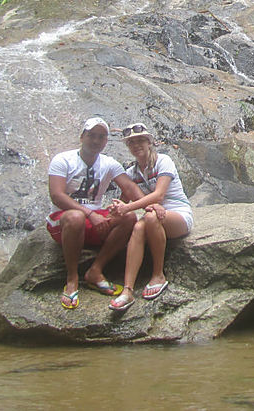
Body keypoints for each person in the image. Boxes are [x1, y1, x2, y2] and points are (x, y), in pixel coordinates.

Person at [46, 117, 144, 310]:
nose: (96, 141)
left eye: (101, 137)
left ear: (106, 141)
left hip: (94, 221)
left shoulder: (108, 163)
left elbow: (130, 187)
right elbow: (56, 195)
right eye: (92, 136)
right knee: (76, 217)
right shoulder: (63, 160)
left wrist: (150, 206)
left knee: (129, 217)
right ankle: (72, 278)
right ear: (82, 137)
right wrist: (90, 215)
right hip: (63, 219)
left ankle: (95, 270)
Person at [108, 122, 193, 311]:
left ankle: (158, 275)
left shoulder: (163, 161)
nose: (136, 145)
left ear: (149, 142)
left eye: (140, 141)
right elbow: (124, 201)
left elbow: (159, 195)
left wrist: (129, 207)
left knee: (151, 217)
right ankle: (128, 290)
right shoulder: (131, 173)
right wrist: (117, 209)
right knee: (139, 226)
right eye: (131, 143)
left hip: (178, 214)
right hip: (153, 216)